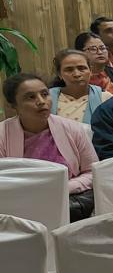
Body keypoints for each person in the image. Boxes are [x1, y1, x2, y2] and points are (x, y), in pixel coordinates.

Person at [1, 72, 98, 220]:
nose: (41, 101)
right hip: (19, 207)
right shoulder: (2, 134)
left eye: (45, 94)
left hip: (68, 203)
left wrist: (65, 187)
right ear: (13, 105)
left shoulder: (73, 129)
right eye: (30, 97)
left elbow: (92, 171)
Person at [49, 48, 111, 123]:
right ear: (59, 74)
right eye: (69, 70)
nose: (77, 74)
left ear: (91, 71)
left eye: (82, 68)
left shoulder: (105, 98)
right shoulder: (48, 98)